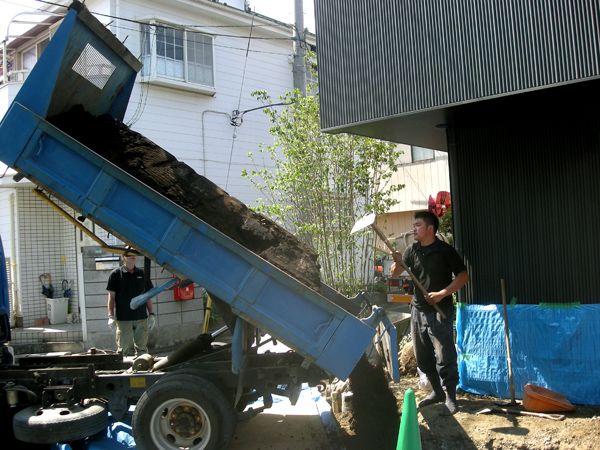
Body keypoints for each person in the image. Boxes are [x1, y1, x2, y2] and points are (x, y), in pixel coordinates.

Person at [391, 211, 469, 415]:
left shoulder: (445, 251)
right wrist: (398, 261)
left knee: (445, 355)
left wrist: (442, 294)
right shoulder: (411, 250)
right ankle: (437, 392)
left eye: (417, 225)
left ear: (430, 229)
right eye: (413, 225)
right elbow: (395, 272)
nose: (413, 229)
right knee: (423, 357)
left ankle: (451, 397)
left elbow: (463, 276)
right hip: (418, 310)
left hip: (439, 310)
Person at [107, 246, 155, 357]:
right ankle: (121, 372)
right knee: (122, 350)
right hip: (123, 319)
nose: (133, 256)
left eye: (135, 254)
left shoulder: (142, 273)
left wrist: (151, 314)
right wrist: (110, 316)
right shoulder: (115, 274)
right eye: (130, 254)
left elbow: (148, 296)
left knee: (142, 349)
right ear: (123, 256)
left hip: (140, 317)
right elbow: (111, 297)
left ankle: (142, 369)